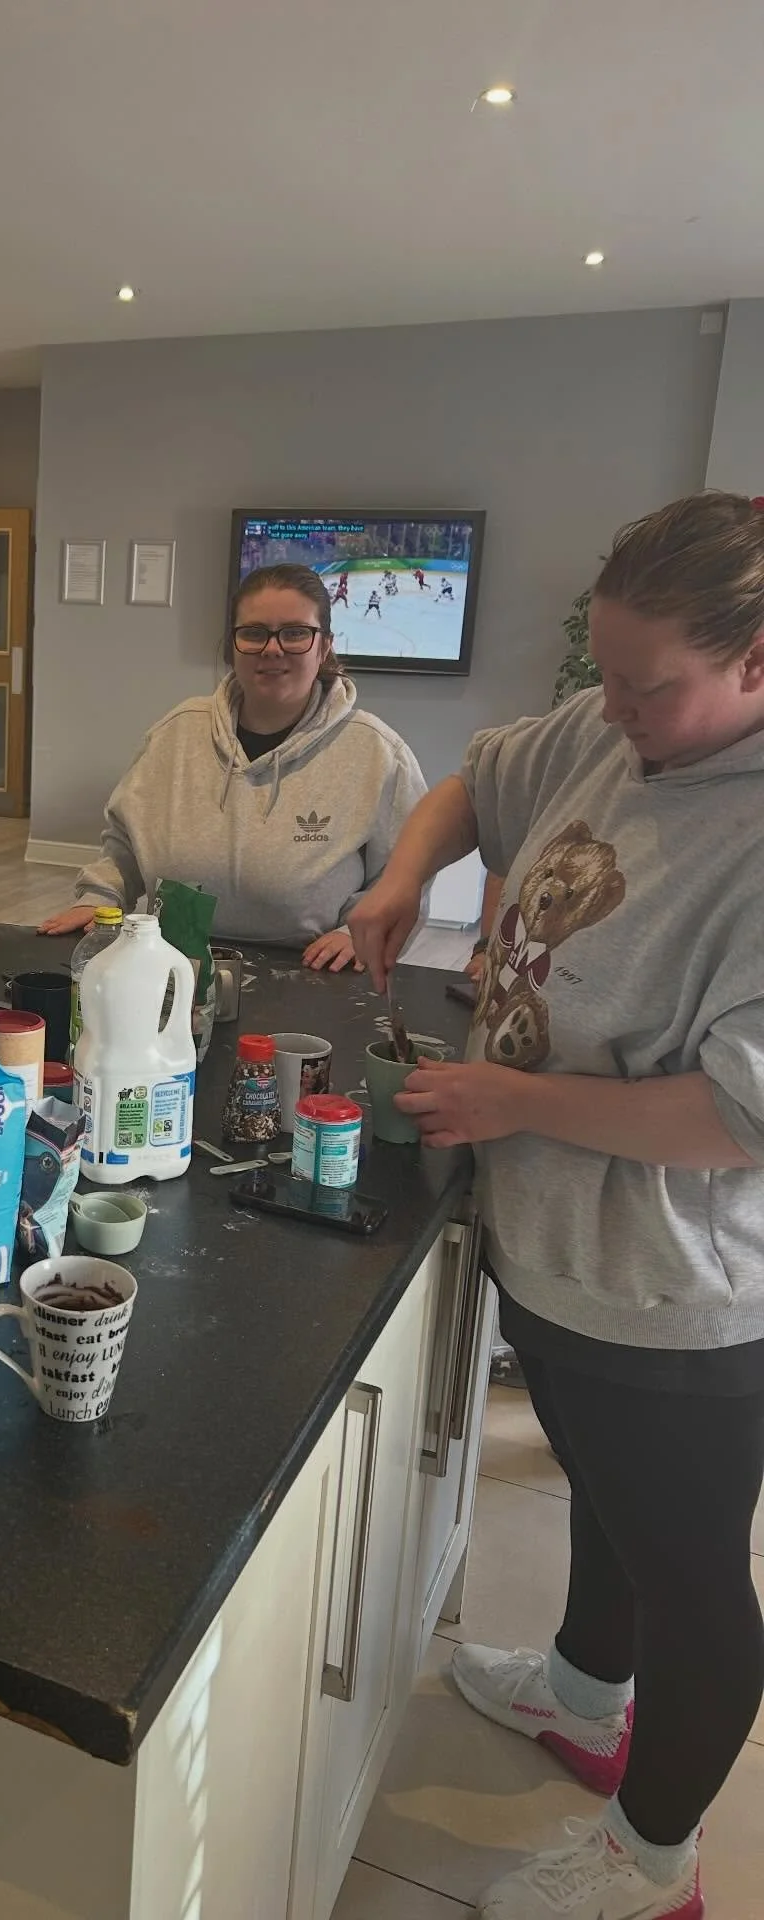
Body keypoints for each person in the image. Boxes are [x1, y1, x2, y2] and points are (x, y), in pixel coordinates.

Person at [348, 489, 764, 1920]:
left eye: (652, 687)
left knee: (691, 1575)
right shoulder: (611, 722)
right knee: (611, 1496)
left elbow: (740, 1118)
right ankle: (586, 1700)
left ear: (757, 661)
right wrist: (407, 877)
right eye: (610, 673)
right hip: (558, 1243)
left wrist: (515, 1103)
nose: (618, 712)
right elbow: (480, 778)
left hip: (676, 1287)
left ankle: (655, 1865)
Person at [40, 563, 427, 969]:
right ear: (233, 645)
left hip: (310, 969)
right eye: (254, 633)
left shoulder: (379, 753)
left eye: (295, 633)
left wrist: (357, 935)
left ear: (324, 646)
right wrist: (100, 896)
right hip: (173, 962)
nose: (272, 649)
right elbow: (124, 841)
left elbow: (406, 875)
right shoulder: (177, 732)